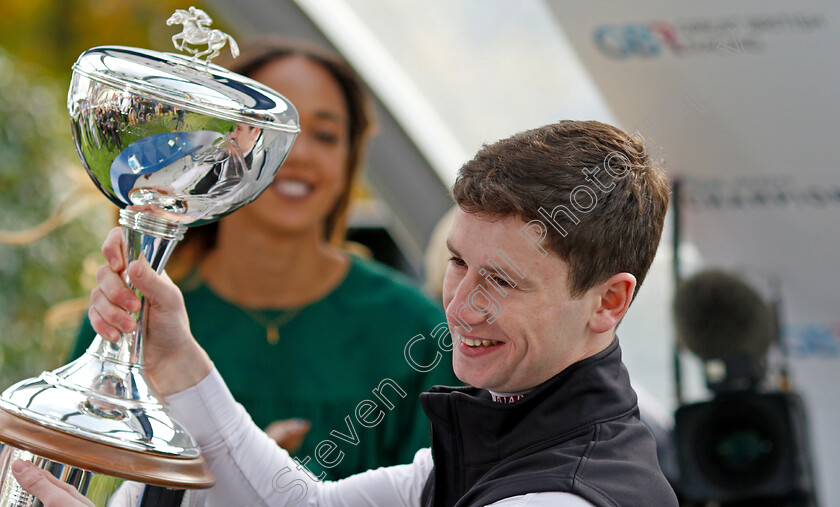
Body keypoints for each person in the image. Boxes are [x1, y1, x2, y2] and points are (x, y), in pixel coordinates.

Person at [24, 120, 678, 506]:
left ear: (609, 302)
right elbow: (297, 503)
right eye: (457, 263)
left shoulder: (560, 490)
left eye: (502, 281)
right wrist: (174, 357)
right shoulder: (521, 426)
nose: (461, 306)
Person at [68, 37, 459, 479]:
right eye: (266, 132)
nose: (301, 154)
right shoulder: (135, 318)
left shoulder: (416, 332)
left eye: (326, 135)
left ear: (349, 160)